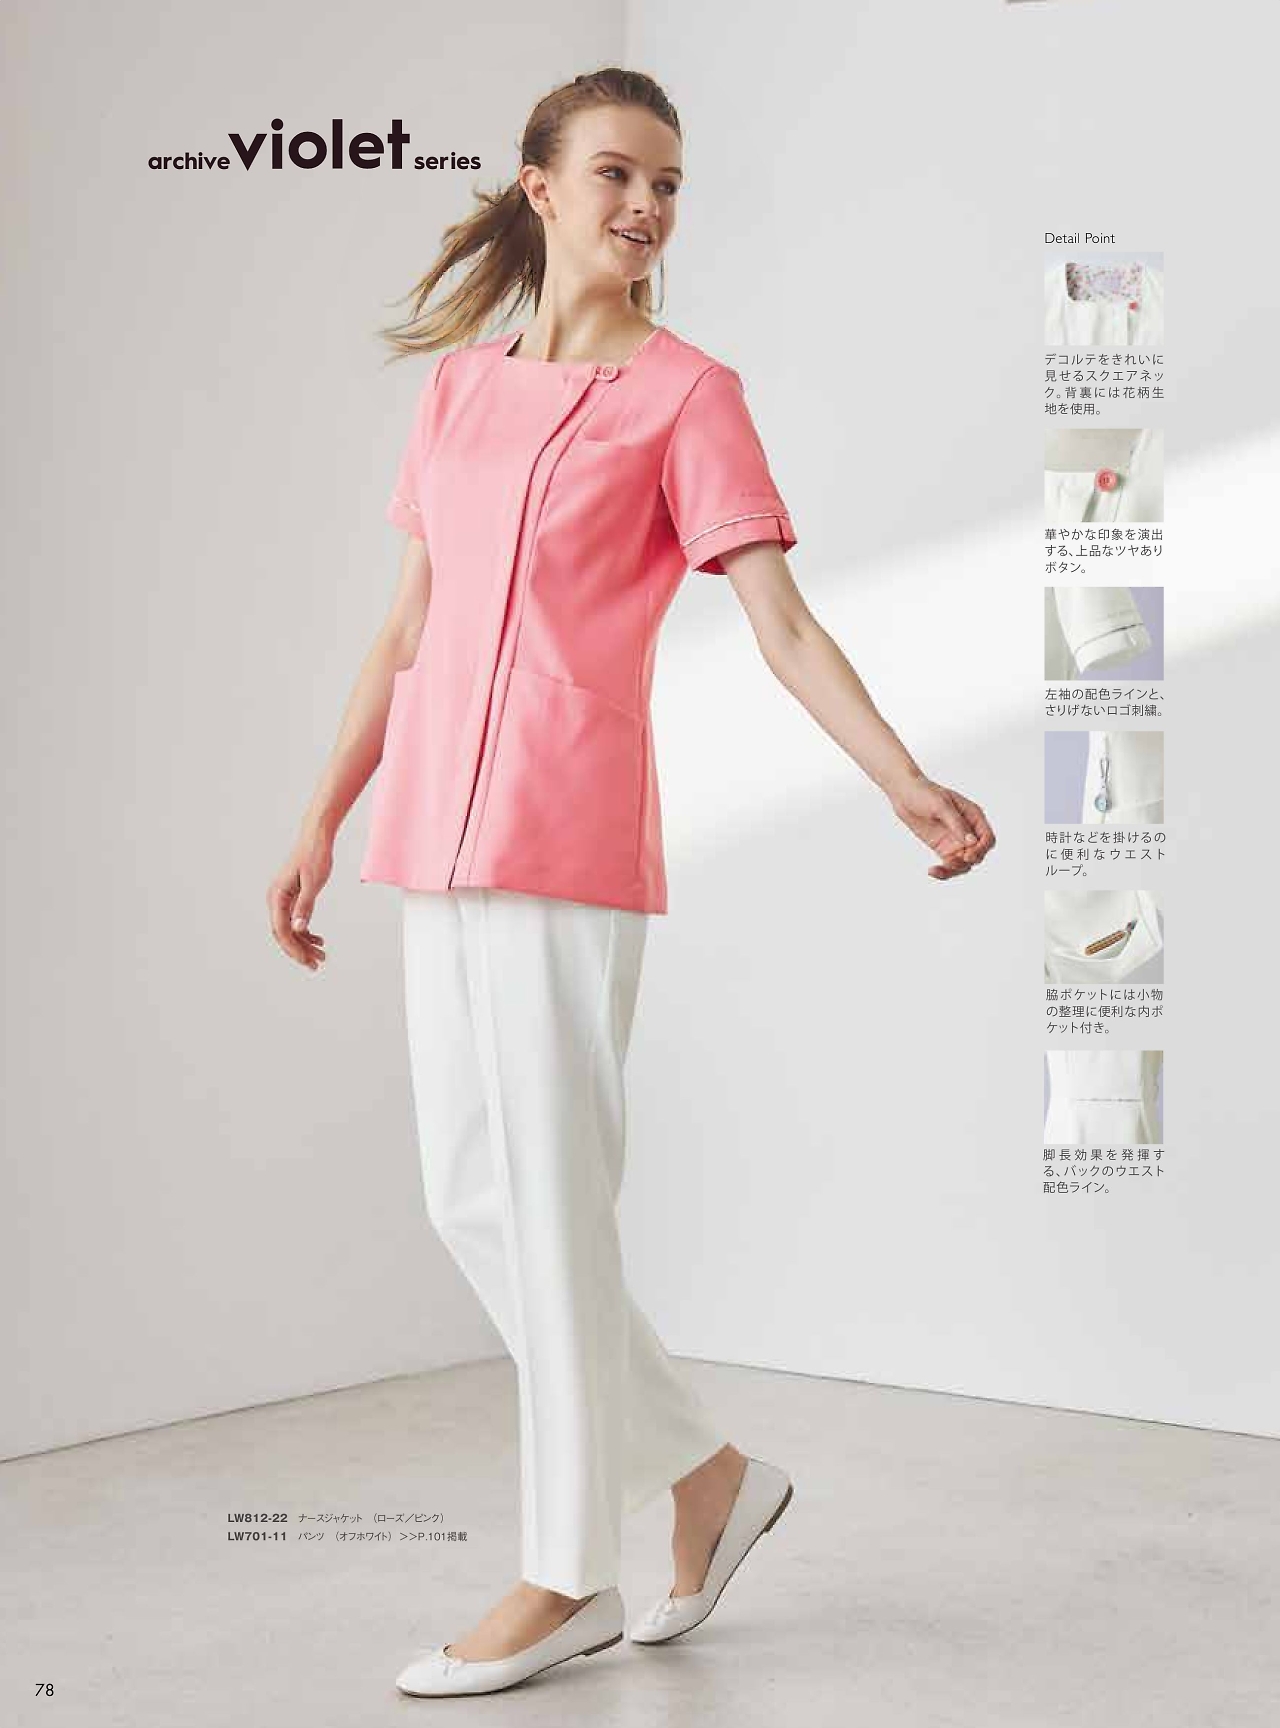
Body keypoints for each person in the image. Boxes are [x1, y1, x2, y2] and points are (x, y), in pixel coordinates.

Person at [267, 66, 995, 1699]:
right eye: (615, 175)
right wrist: (322, 815)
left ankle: (566, 1573)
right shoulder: (459, 394)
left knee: (551, 1201)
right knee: (474, 1196)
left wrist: (901, 781)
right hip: (431, 835)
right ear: (540, 186)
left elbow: (781, 622)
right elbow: (409, 628)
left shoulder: (688, 397)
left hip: (567, 829)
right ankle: (709, 1477)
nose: (647, 207)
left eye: (667, 183)